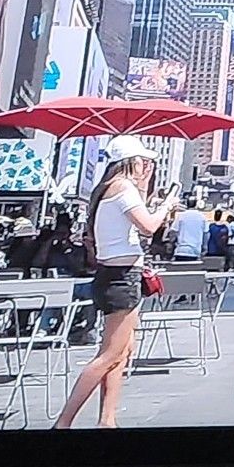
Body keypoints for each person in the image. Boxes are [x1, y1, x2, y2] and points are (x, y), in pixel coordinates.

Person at [54, 135, 180, 430]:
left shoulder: (106, 190)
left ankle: (107, 420)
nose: (147, 166)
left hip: (115, 275)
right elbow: (149, 226)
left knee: (122, 351)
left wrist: (147, 190)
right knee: (109, 354)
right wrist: (168, 204)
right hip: (123, 278)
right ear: (132, 162)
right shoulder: (123, 188)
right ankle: (64, 422)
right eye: (144, 162)